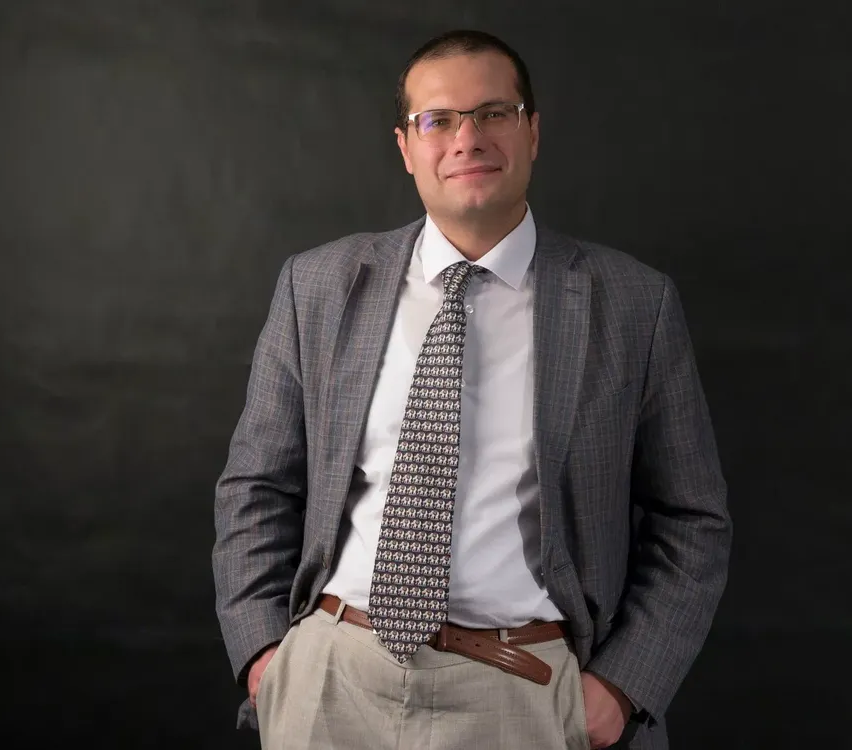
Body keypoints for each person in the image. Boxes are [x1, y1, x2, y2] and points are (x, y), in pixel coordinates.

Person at [212, 28, 731, 750]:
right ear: (406, 146)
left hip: (527, 692)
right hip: (331, 683)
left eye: (493, 113)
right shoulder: (319, 286)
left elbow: (692, 519)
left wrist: (620, 688)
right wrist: (266, 656)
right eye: (438, 120)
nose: (467, 138)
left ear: (532, 132)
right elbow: (256, 485)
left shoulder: (632, 305)